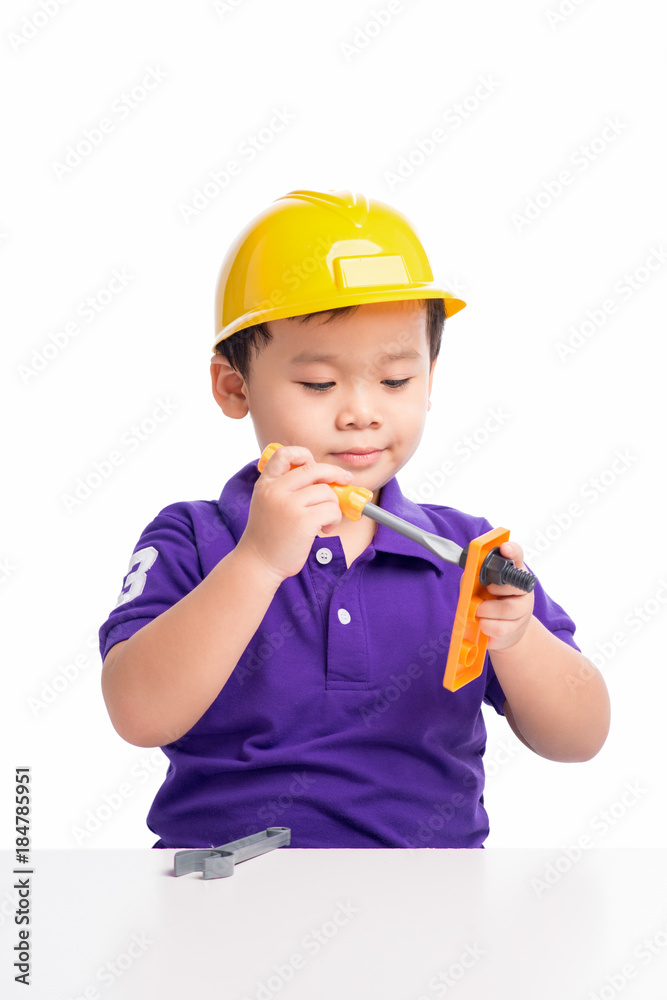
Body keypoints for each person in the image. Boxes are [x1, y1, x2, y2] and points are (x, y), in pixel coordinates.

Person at [99, 189, 610, 850]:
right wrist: (255, 563)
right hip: (224, 898)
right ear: (234, 387)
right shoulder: (193, 538)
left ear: (430, 381)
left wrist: (518, 641)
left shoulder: (463, 551)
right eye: (318, 384)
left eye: (395, 381)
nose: (360, 412)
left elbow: (581, 737)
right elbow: (139, 713)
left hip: (432, 907)